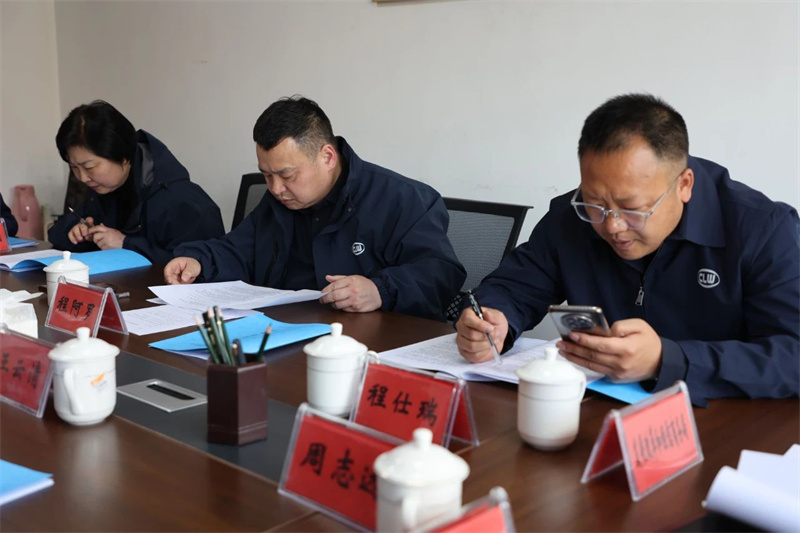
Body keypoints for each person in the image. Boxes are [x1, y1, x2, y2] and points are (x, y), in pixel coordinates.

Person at [456, 93, 799, 406]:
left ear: (684, 185)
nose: (612, 225)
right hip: (598, 411)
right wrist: (494, 319)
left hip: (728, 422)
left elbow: (792, 355)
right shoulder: (571, 216)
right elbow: (516, 285)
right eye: (595, 203)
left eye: (632, 208)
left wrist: (667, 360)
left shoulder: (762, 229)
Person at [165, 96, 465, 321]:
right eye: (266, 175)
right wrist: (199, 261)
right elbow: (239, 250)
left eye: (286, 175)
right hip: (281, 333)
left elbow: (440, 274)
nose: (275, 188)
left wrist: (380, 290)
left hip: (364, 345)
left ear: (327, 157)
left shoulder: (403, 199)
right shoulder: (279, 201)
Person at [49, 100, 225, 264]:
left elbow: (200, 266)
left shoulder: (183, 202)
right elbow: (56, 235)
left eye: (89, 167)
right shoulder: (104, 189)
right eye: (74, 167)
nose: (82, 178)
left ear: (123, 156)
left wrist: (126, 245)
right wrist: (79, 233)